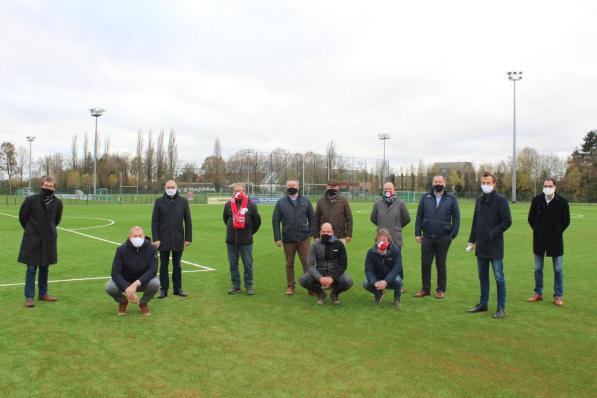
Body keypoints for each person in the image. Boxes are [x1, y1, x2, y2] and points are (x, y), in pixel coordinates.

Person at [466, 172, 512, 319]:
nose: (485, 185)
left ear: (494, 183)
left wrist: (493, 232)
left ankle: (501, 308)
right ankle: (483, 304)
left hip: (495, 246)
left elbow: (507, 221)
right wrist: (471, 240)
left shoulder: (501, 200)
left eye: (488, 182)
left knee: (499, 278)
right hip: (481, 246)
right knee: (483, 277)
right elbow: (475, 222)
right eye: (483, 183)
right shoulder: (479, 200)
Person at [18, 176, 63, 308]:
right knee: (31, 269)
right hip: (32, 239)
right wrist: (32, 230)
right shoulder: (31, 200)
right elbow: (23, 217)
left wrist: (47, 231)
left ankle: (43, 294)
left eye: (51, 186)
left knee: (45, 267)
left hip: (48, 239)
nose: (48, 188)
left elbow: (57, 220)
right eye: (46, 185)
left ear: (54, 188)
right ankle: (30, 297)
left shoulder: (58, 203)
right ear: (41, 185)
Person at [414, 175, 460, 299]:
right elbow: (419, 216)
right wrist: (418, 233)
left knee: (441, 264)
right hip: (427, 237)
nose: (437, 183)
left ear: (444, 183)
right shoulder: (425, 197)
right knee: (425, 263)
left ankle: (440, 290)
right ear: (432, 183)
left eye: (440, 181)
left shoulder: (451, 199)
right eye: (435, 181)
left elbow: (456, 217)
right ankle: (425, 289)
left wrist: (452, 235)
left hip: (444, 237)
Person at [527, 178, 570, 306]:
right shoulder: (537, 201)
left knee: (558, 269)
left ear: (555, 187)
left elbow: (566, 221)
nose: (547, 188)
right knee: (538, 268)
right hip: (539, 240)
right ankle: (538, 293)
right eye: (545, 186)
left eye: (550, 185)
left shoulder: (562, 202)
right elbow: (531, 219)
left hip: (555, 240)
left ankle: (558, 296)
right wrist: (539, 231)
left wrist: (557, 231)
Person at [272, 179, 316, 295]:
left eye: (294, 185)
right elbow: (275, 220)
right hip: (288, 239)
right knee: (289, 264)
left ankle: (310, 287)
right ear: (286, 187)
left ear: (298, 186)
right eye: (289, 185)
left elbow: (312, 217)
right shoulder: (281, 202)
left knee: (307, 263)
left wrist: (311, 233)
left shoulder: (305, 201)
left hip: (304, 238)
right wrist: (277, 238)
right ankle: (290, 286)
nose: (292, 186)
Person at [105, 226, 160, 316]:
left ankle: (143, 303)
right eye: (135, 236)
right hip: (125, 281)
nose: (137, 238)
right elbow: (115, 272)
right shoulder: (121, 249)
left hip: (142, 282)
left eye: (140, 236)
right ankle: (123, 301)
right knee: (110, 287)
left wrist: (136, 284)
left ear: (144, 236)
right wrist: (127, 287)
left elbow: (153, 270)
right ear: (129, 237)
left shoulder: (152, 249)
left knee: (155, 283)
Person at [151, 180, 193, 299]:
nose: (170, 188)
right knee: (163, 265)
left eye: (172, 187)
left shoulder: (183, 202)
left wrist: (188, 238)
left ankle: (177, 289)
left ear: (176, 188)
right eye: (168, 187)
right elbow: (155, 222)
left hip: (178, 238)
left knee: (177, 265)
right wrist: (156, 238)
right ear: (165, 188)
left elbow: (188, 221)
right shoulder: (159, 202)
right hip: (163, 240)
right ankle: (163, 290)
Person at [299, 223, 352, 304]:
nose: (326, 233)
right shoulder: (314, 245)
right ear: (320, 232)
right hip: (320, 271)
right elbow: (310, 265)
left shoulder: (339, 244)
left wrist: (332, 277)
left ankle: (334, 293)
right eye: (323, 232)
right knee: (303, 280)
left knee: (348, 281)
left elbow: (343, 265)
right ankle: (320, 293)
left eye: (328, 232)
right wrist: (320, 278)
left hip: (334, 271)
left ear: (332, 232)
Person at [223, 183, 261, 295]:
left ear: (245, 191)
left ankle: (249, 286)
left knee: (248, 264)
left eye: (241, 190)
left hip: (246, 241)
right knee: (233, 264)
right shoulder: (228, 205)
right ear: (233, 192)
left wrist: (249, 232)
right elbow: (226, 220)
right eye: (236, 190)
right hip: (231, 241)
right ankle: (236, 286)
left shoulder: (251, 205)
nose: (238, 192)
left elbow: (257, 222)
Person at [370, 181, 410, 287]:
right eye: (385, 189)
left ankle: (399, 284)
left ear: (394, 190)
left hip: (395, 238)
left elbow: (406, 218)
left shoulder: (401, 203)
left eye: (390, 189)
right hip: (381, 238)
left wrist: (397, 227)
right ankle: (383, 283)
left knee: (397, 262)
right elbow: (373, 218)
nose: (387, 191)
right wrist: (381, 227)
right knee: (381, 262)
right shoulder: (377, 203)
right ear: (383, 191)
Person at [363, 229, 403, 307]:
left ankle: (397, 299)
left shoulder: (396, 251)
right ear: (376, 241)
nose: (381, 242)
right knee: (366, 283)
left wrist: (386, 281)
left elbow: (397, 267)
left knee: (398, 280)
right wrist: (374, 282)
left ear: (388, 241)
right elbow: (368, 270)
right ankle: (379, 293)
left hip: (391, 277)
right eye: (379, 240)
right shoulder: (371, 252)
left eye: (384, 240)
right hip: (378, 277)